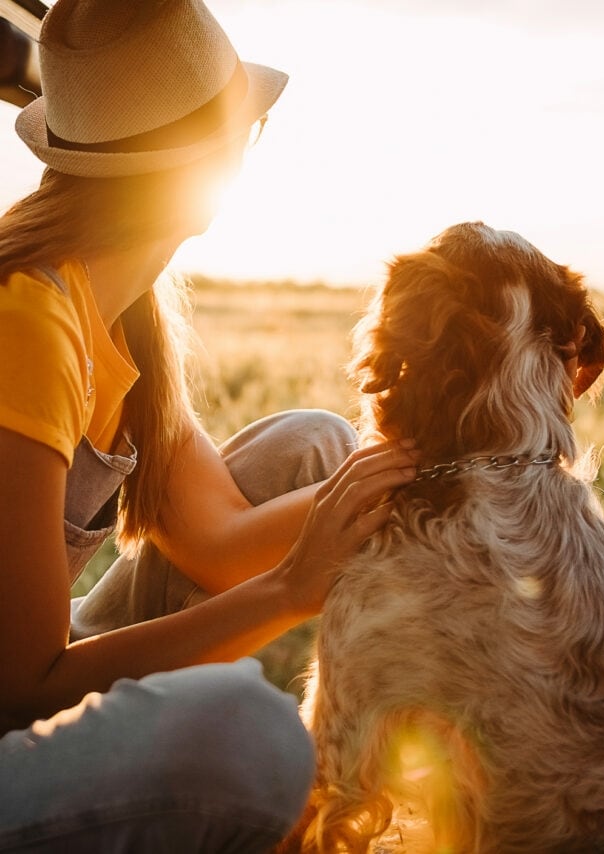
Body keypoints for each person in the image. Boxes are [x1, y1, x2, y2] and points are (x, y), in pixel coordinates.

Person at [0, 1, 419, 851]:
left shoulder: (122, 314)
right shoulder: (27, 325)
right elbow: (26, 686)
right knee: (243, 730)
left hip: (28, 681)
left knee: (315, 447)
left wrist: (426, 456)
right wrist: (291, 590)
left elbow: (221, 546)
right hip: (16, 704)